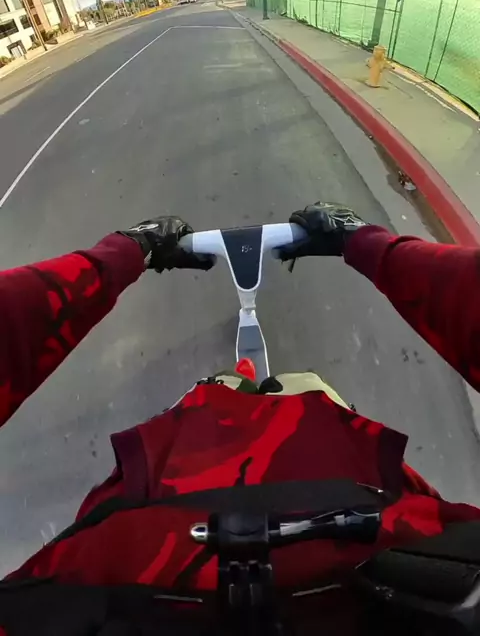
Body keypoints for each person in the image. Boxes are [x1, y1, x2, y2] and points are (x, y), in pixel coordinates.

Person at [0, 203, 479, 636]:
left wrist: (129, 250)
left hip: (134, 546)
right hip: (384, 534)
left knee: (245, 390)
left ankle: (233, 388)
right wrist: (362, 241)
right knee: (300, 389)